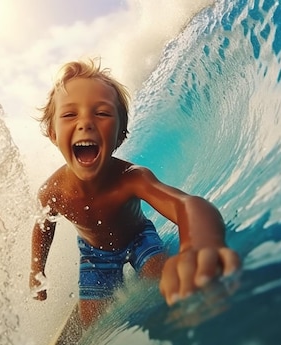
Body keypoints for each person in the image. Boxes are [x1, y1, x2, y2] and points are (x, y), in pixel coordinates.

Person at [29, 58, 241, 327]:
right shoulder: (52, 191)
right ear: (52, 133)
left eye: (102, 113)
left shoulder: (132, 178)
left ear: (120, 135)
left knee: (162, 286)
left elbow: (186, 205)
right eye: (70, 114)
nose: (86, 123)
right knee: (94, 328)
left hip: (138, 238)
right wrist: (37, 270)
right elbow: (43, 224)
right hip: (95, 255)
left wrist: (199, 243)